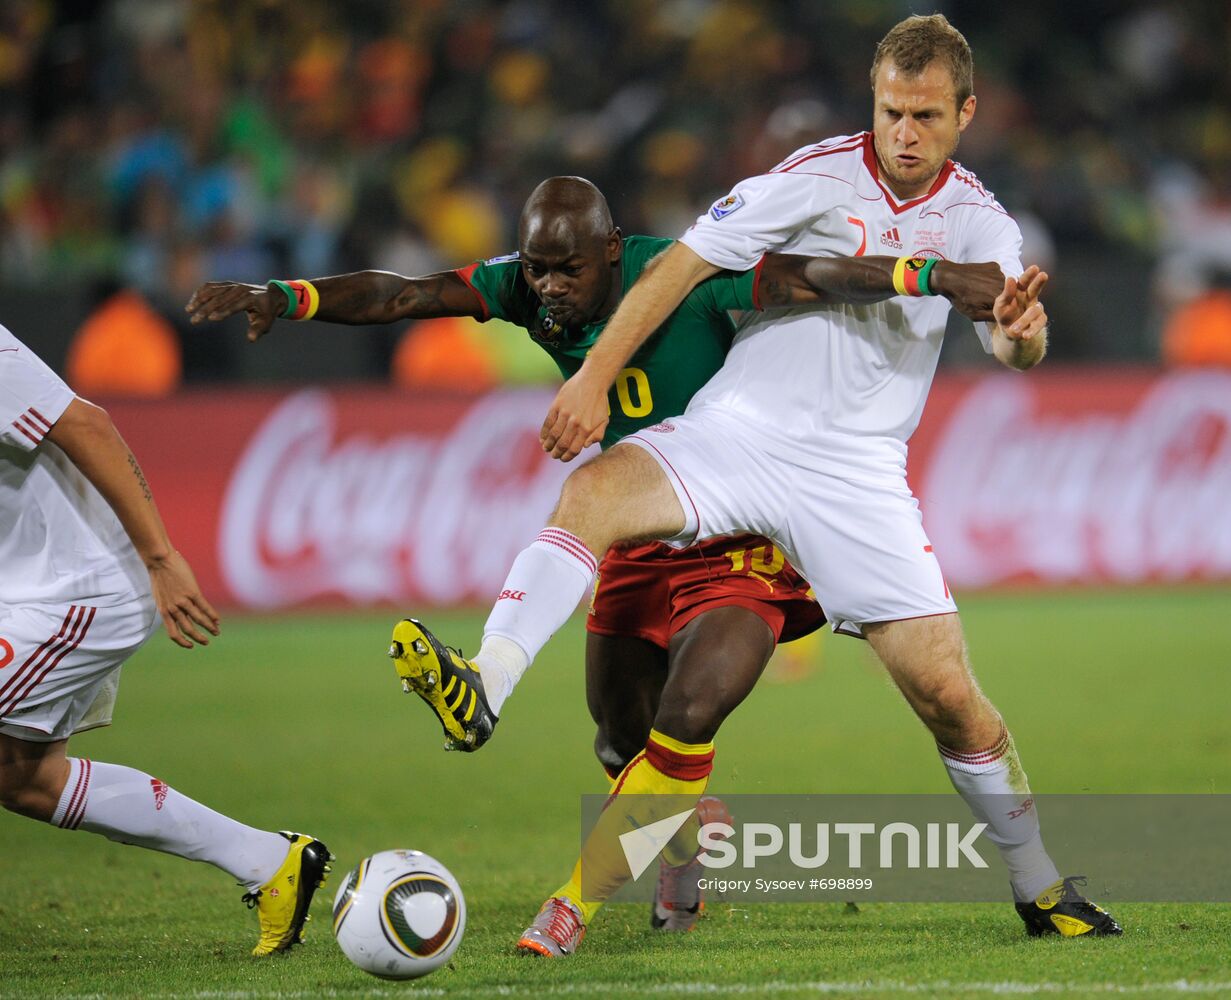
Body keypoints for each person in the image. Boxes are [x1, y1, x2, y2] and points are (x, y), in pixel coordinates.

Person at [384, 15, 1123, 945]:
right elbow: (678, 268)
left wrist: (1020, 334)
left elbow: (1014, 344)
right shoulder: (811, 176)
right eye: (890, 111)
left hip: (858, 476)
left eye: (926, 116)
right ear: (872, 101)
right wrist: (593, 376)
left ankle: (1039, 885)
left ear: (965, 113)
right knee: (593, 493)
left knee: (947, 697)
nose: (903, 133)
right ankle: (485, 682)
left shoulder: (981, 222)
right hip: (740, 432)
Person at [186, 175, 1006, 955]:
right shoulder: (527, 290)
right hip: (635, 531)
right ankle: (680, 838)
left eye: (567, 269)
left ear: (612, 249)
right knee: (619, 742)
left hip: (741, 534)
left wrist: (924, 275)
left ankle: (570, 907)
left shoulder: (685, 272)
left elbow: (803, 275)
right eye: (535, 268)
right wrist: (286, 297)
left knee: (688, 714)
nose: (548, 287)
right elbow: (405, 295)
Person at [0, 325, 331, 957]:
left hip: (78, 592)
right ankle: (269, 861)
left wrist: (161, 558)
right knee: (24, 779)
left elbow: (88, 424)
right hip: (26, 589)